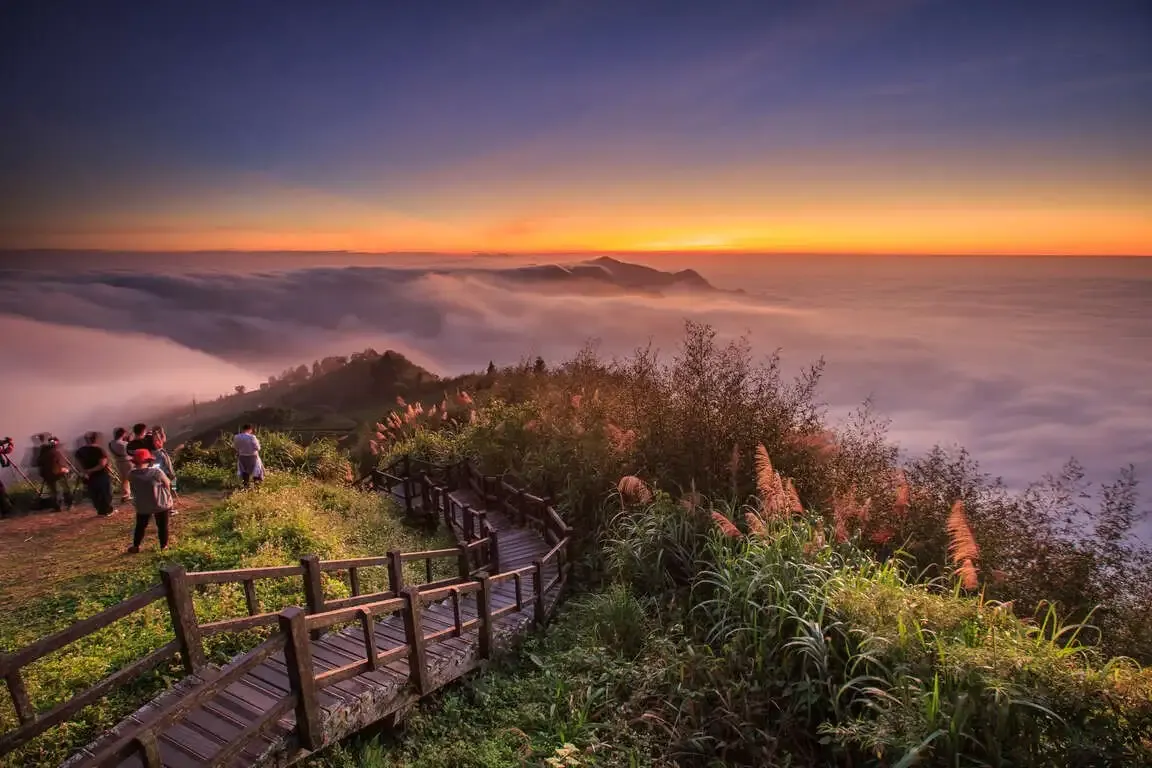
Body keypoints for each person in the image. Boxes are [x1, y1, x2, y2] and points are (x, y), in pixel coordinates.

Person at [126, 448, 174, 552]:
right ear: (147, 461)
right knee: (162, 526)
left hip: (142, 505)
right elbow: (167, 484)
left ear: (134, 461)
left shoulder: (131, 474)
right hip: (160, 503)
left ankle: (136, 545)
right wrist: (169, 496)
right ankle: (163, 546)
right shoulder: (156, 472)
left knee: (140, 526)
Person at [75, 431, 115, 516]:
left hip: (89, 476)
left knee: (94, 493)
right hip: (101, 474)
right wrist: (91, 470)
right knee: (105, 493)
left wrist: (85, 471)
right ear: (96, 439)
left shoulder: (80, 451)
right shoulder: (100, 450)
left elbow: (77, 463)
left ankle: (100, 510)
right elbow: (102, 464)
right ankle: (106, 510)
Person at [36, 434, 73, 512]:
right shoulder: (54, 451)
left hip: (52, 473)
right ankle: (65, 505)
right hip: (56, 472)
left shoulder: (46, 451)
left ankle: (60, 506)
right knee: (62, 489)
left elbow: (39, 462)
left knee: (57, 490)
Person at [233, 424, 264, 488]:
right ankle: (257, 487)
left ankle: (245, 487)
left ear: (242, 429)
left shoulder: (236, 437)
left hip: (242, 457)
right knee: (257, 471)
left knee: (244, 472)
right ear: (250, 429)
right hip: (252, 457)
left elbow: (236, 447)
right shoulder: (252, 437)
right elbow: (258, 448)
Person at [108, 427, 133, 502]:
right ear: (123, 434)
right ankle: (131, 494)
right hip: (127, 462)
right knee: (131, 478)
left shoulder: (111, 443)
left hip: (118, 462)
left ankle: (126, 494)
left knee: (123, 479)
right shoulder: (125, 444)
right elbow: (130, 451)